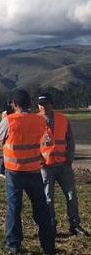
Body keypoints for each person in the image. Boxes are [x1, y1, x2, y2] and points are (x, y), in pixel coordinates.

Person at [0, 89, 55, 255]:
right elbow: (47, 141)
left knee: (14, 208)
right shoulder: (39, 121)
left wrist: (5, 118)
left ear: (14, 104)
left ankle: (14, 244)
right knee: (41, 209)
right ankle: (48, 245)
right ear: (29, 103)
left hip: (14, 172)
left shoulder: (9, 121)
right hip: (34, 170)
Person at [37, 93, 88, 237]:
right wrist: (39, 161)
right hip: (45, 166)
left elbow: (70, 140)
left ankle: (75, 225)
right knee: (48, 197)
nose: (43, 106)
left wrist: (69, 158)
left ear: (51, 104)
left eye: (45, 103)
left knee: (71, 196)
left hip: (63, 165)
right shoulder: (35, 120)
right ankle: (51, 225)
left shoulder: (62, 119)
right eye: (40, 104)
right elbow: (32, 143)